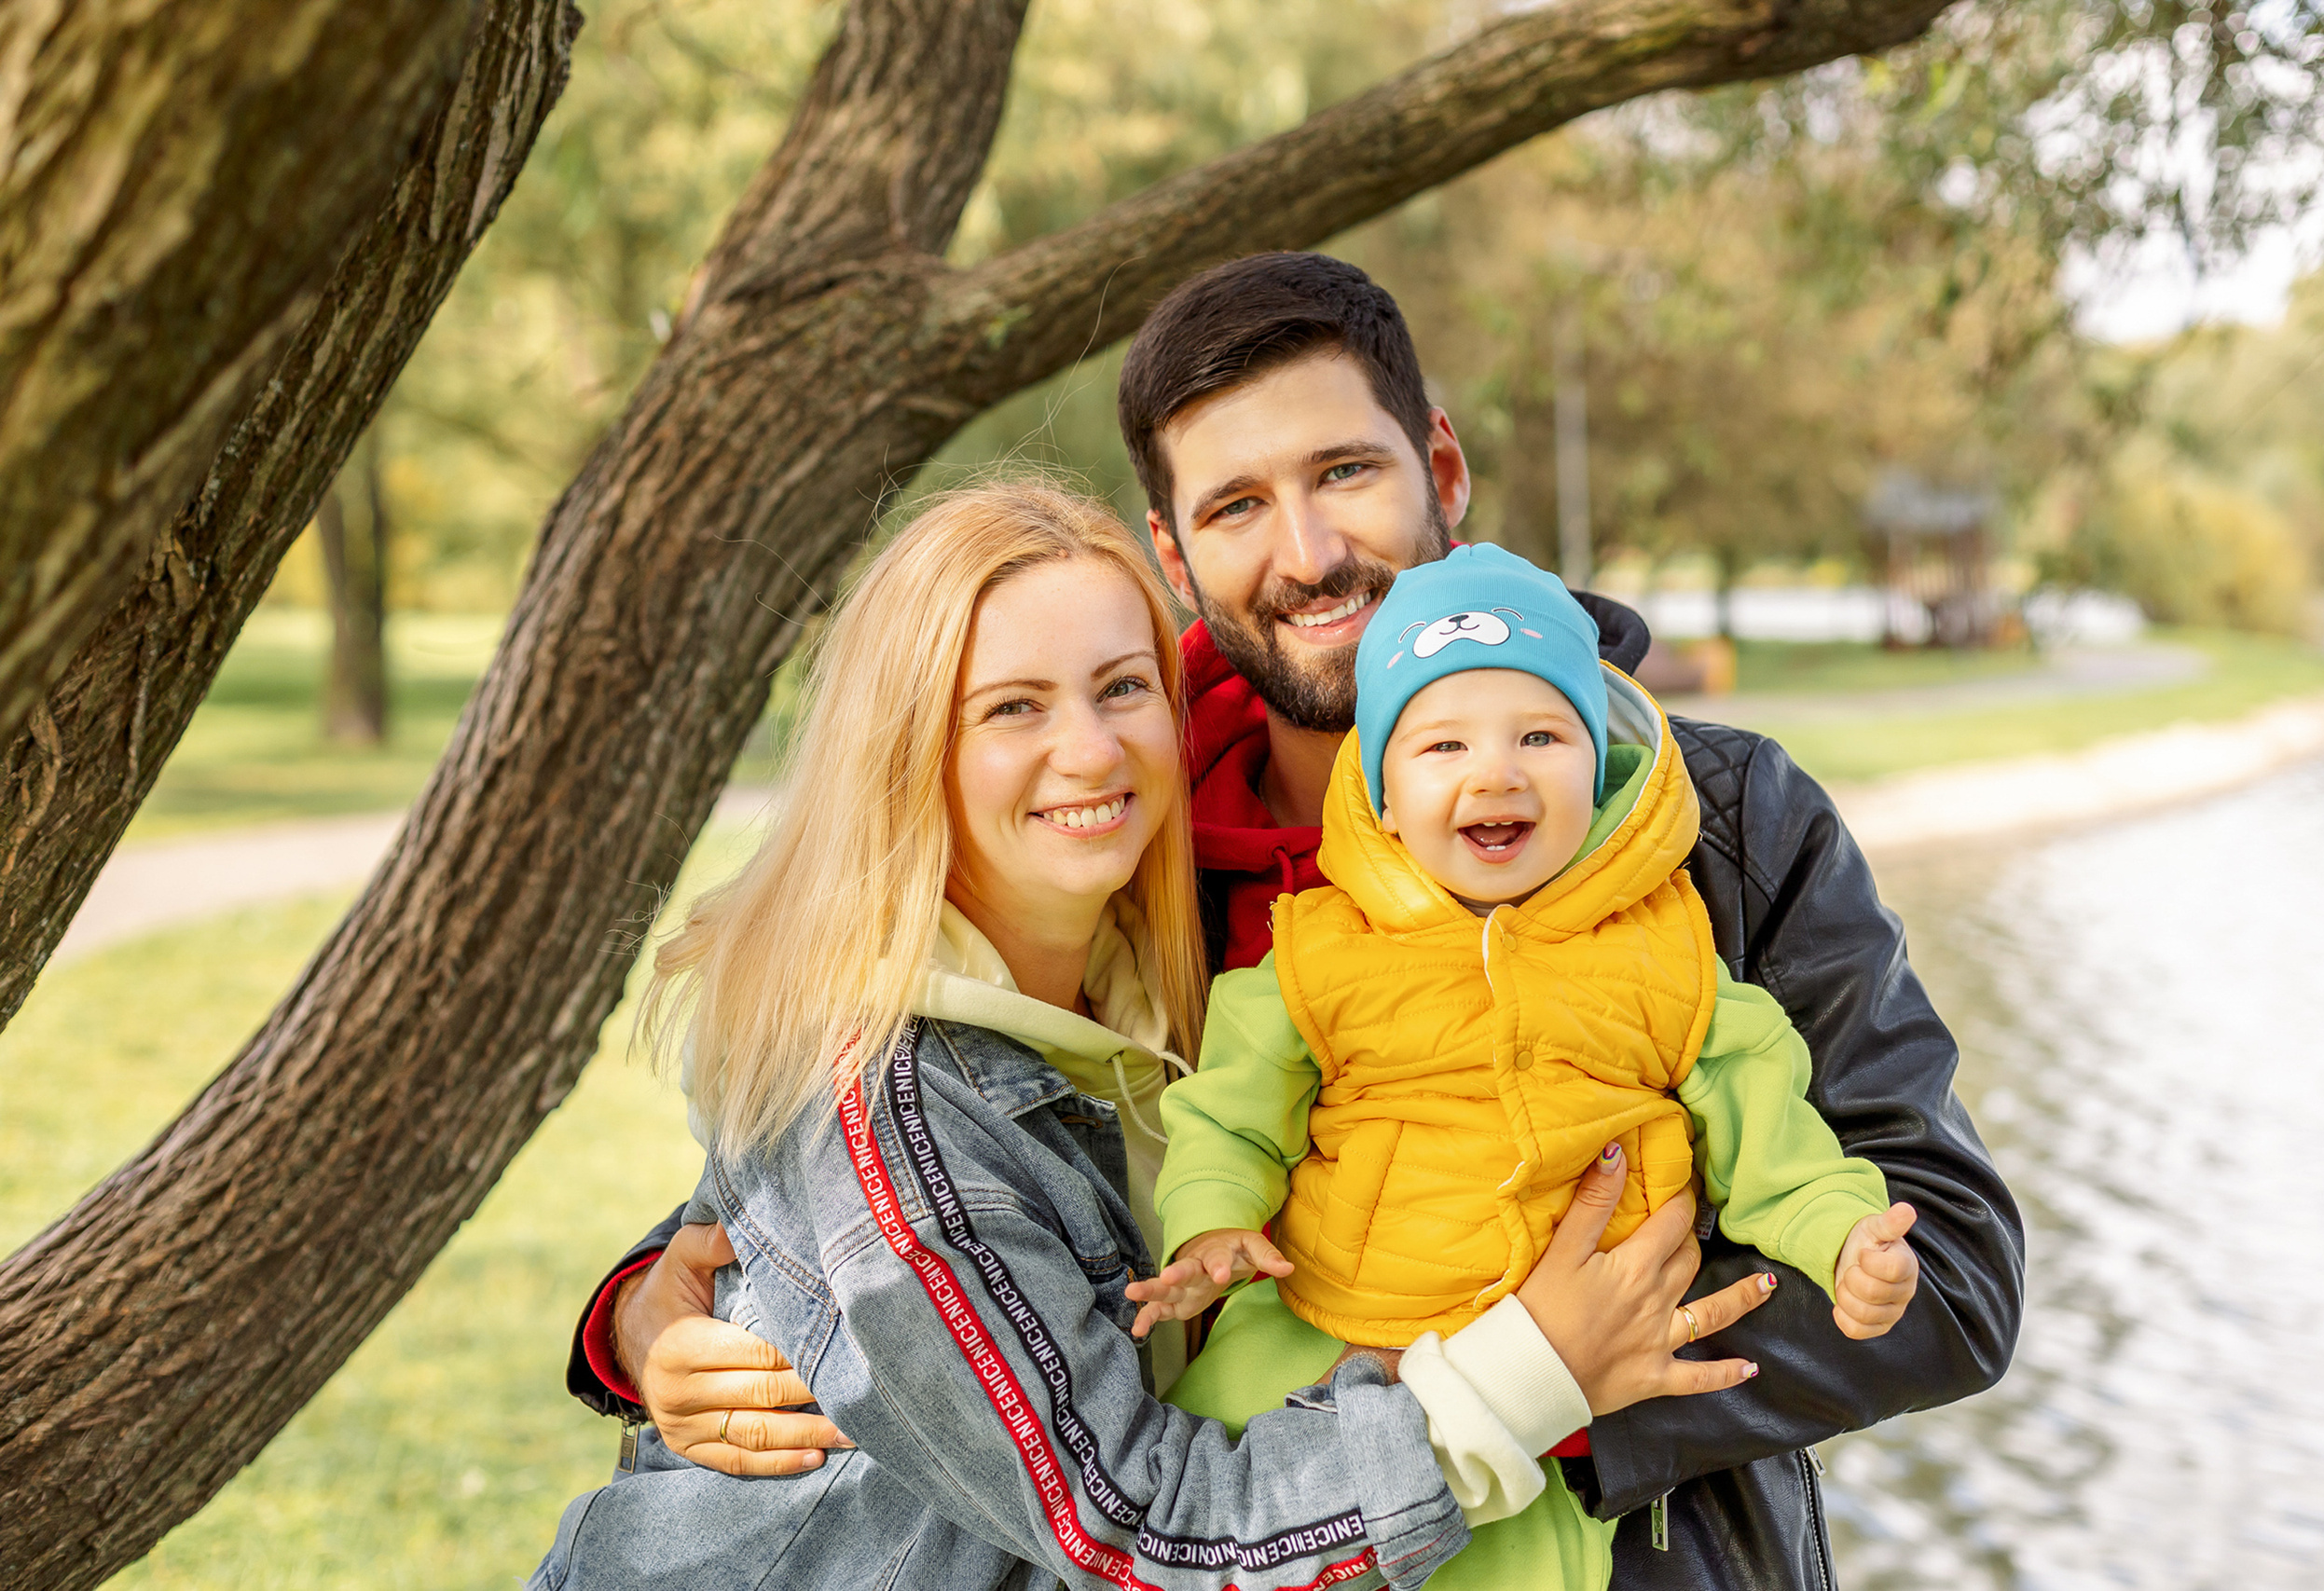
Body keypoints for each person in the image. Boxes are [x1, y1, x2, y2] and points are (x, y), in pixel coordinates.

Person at [569, 254, 2025, 1589]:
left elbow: (1951, 1266)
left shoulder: (1715, 817)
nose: (1310, 550)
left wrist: (1561, 1392)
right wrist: (645, 1311)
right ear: (1174, 546)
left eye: (1347, 472)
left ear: (1438, 463)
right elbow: (884, 1155)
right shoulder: (1132, 838)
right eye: (1237, 506)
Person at [529, 482, 1777, 1590]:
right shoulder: (888, 1094)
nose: (1091, 747)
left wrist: (639, 1307)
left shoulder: (1156, 977)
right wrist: (1528, 1371)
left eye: (1123, 686)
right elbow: (1142, 1534)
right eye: (1012, 706)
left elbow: (754, 1228)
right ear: (905, 748)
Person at [1127, 544, 1923, 1589]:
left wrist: (1842, 1234)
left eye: (1540, 736)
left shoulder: (1668, 948)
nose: (1493, 772)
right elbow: (1229, 1111)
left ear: (1594, 766)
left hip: (1578, 1404)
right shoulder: (1319, 951)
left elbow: (1768, 1127)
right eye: (1443, 745)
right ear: (1382, 788)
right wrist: (1213, 1219)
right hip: (1343, 1339)